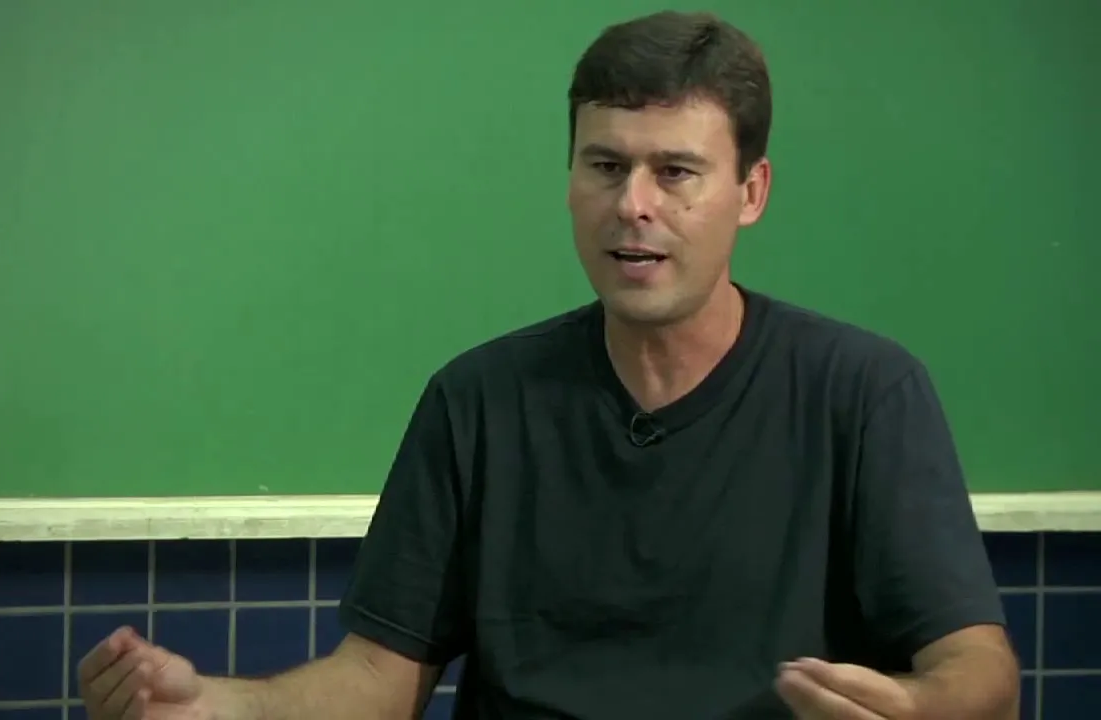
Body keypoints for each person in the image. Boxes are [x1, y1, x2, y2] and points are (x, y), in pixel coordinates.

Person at [78, 10, 1020, 719]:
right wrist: (219, 706)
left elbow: (980, 671)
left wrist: (921, 707)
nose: (633, 205)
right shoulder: (478, 401)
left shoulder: (863, 393)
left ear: (751, 191)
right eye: (605, 167)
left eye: (676, 172)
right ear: (570, 180)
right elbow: (377, 680)